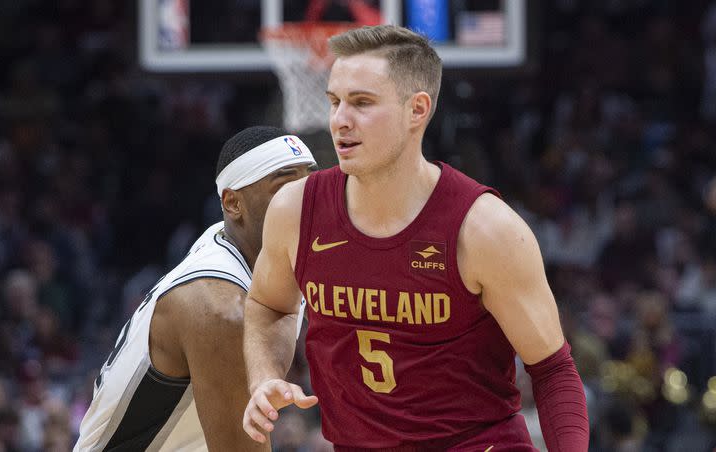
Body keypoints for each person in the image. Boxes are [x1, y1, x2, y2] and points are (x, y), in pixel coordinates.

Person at [242, 25, 589, 451]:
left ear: (417, 110)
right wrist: (264, 377)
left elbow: (553, 371)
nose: (340, 120)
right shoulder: (294, 210)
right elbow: (268, 305)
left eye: (362, 103)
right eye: (334, 101)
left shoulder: (485, 230)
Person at [75, 126, 316, 451]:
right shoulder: (220, 308)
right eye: (285, 187)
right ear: (233, 204)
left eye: (311, 182)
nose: (306, 197)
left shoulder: (258, 244)